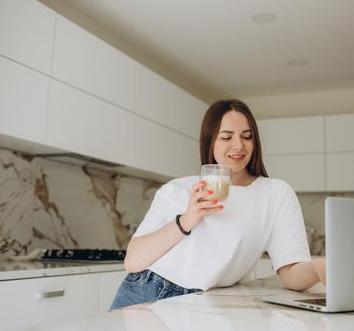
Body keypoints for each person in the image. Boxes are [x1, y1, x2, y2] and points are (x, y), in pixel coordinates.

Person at [110, 99, 326, 310]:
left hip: (207, 302)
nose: (239, 146)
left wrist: (317, 268)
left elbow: (291, 273)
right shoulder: (178, 189)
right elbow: (133, 261)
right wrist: (187, 220)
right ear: (210, 141)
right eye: (226, 137)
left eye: (247, 137)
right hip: (147, 292)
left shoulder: (275, 193)